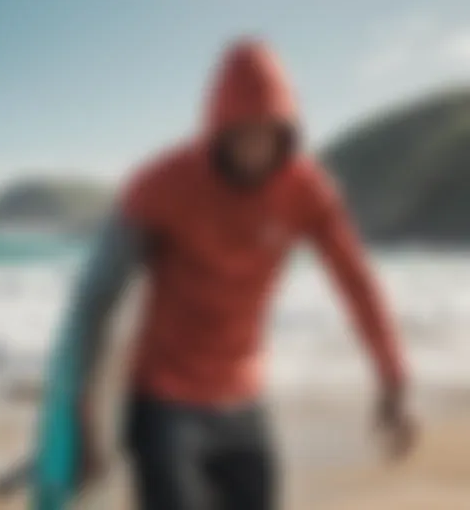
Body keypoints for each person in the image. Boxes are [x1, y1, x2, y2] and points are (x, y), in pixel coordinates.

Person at [70, 38, 416, 510]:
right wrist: (81, 411)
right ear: (218, 128)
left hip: (243, 398)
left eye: (267, 133)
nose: (254, 148)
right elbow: (96, 298)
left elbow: (356, 282)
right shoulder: (160, 185)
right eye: (241, 133)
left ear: (286, 131)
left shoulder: (308, 191)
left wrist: (393, 378)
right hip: (163, 401)